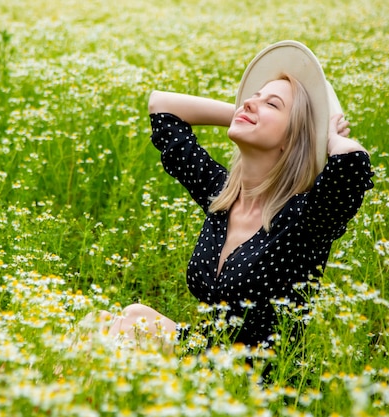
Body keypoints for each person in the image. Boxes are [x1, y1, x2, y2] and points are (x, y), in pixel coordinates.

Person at [99, 40, 374, 352]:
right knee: (127, 317)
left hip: (257, 380)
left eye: (272, 104)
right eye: (251, 97)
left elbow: (352, 162)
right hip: (206, 356)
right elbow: (163, 107)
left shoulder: (308, 219)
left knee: (132, 328)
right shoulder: (223, 196)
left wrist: (326, 135)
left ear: (294, 137)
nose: (249, 103)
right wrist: (248, 114)